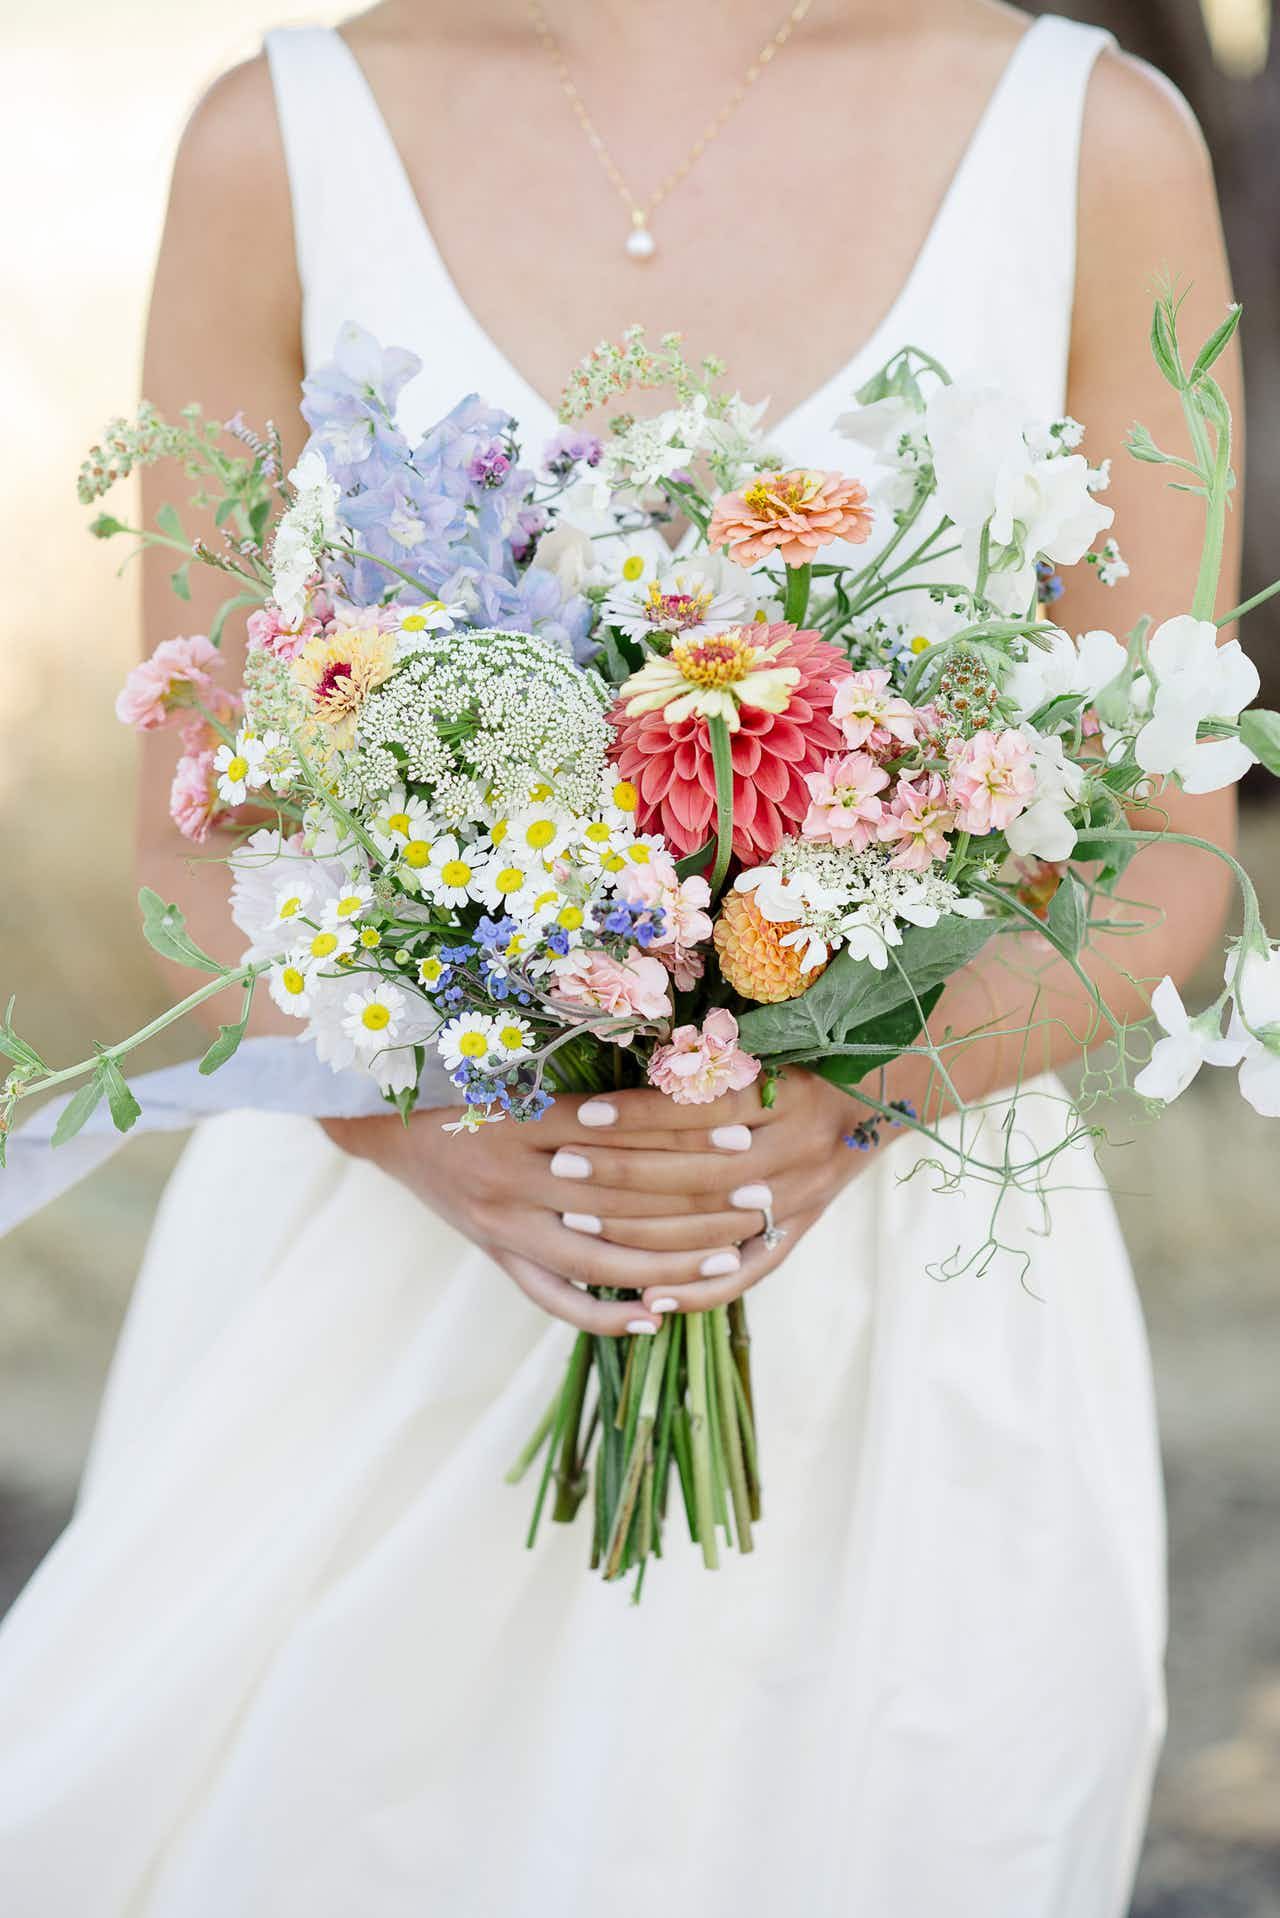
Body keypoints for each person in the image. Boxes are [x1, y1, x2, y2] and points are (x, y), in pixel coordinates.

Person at [0, 3, 1242, 1912]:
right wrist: (417, 1117)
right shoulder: (280, 136)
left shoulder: (1095, 140)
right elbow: (189, 845)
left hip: (899, 1331)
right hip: (379, 1306)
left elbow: (1168, 857)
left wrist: (828, 1108)